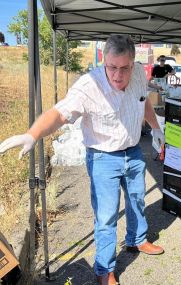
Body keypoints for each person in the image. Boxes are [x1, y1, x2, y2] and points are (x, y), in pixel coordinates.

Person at [0, 35, 165, 285]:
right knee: (107, 216)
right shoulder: (89, 86)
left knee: (137, 199)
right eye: (112, 67)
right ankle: (104, 269)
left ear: (133, 63)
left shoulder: (140, 74)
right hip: (103, 158)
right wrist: (32, 134)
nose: (118, 75)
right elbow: (59, 114)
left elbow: (144, 105)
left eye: (124, 68)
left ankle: (137, 239)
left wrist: (156, 129)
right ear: (104, 62)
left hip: (132, 152)